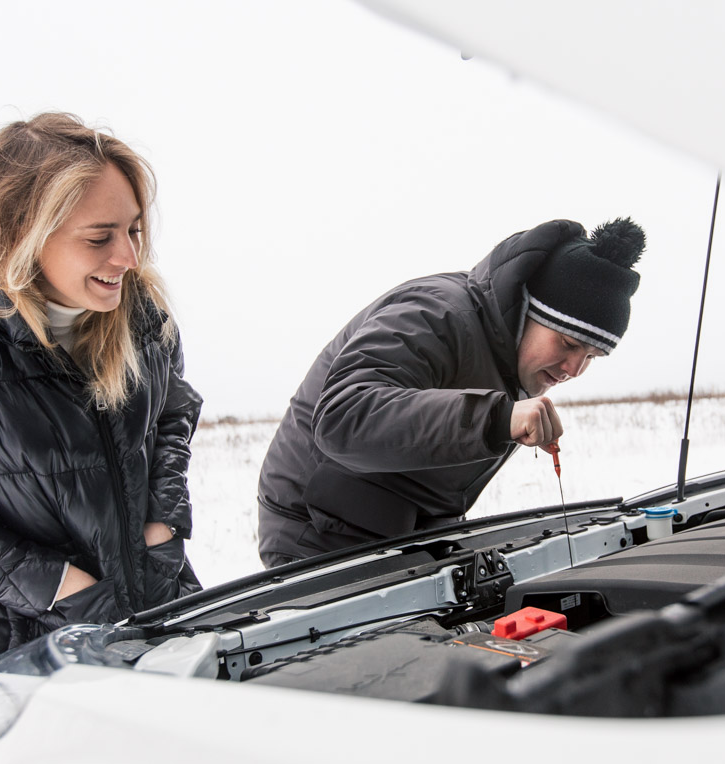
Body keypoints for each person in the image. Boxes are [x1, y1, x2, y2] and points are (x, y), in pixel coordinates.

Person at [0, 113, 203, 709]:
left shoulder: (142, 315)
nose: (127, 257)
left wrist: (164, 525)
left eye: (134, 230)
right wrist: (61, 588)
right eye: (99, 237)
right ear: (20, 234)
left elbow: (172, 411)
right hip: (17, 662)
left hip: (158, 617)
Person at [257, 217, 645, 566]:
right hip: (317, 533)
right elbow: (343, 417)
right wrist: (493, 418)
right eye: (568, 344)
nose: (575, 369)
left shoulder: (515, 358)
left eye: (593, 356)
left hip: (406, 535)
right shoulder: (436, 314)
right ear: (529, 311)